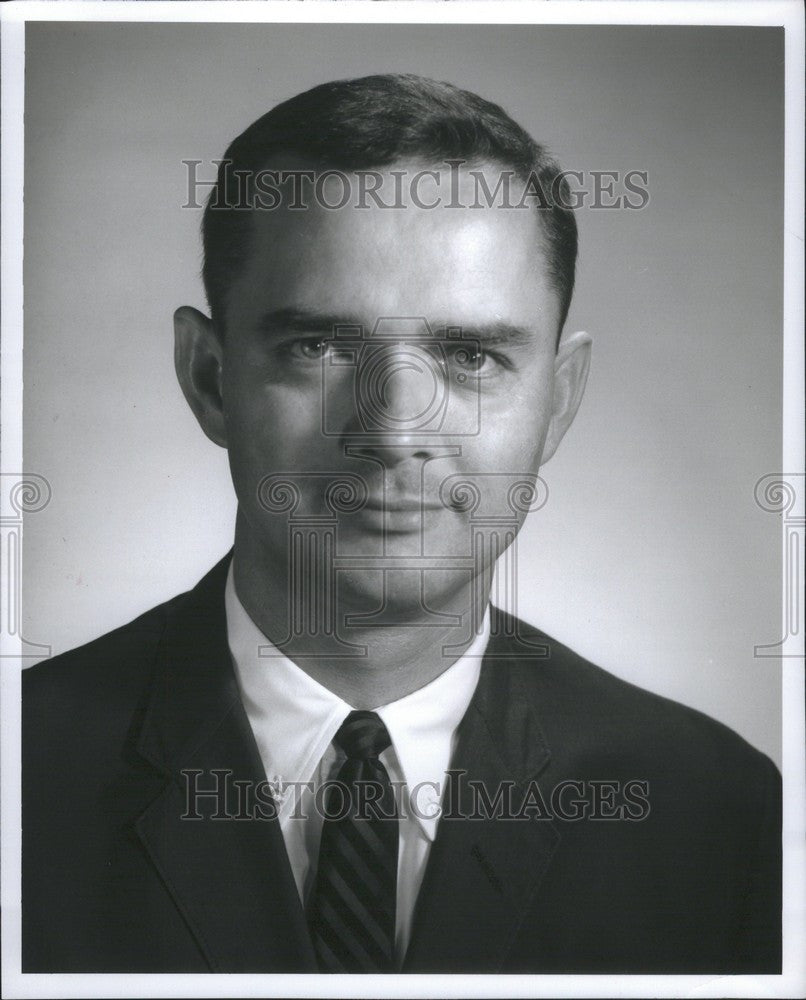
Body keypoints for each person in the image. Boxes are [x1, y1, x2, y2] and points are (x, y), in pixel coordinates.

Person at [22, 73, 781, 974]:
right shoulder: (18, 775)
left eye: (470, 356)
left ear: (560, 399)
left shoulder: (719, 816)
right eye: (323, 348)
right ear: (209, 378)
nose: (393, 434)